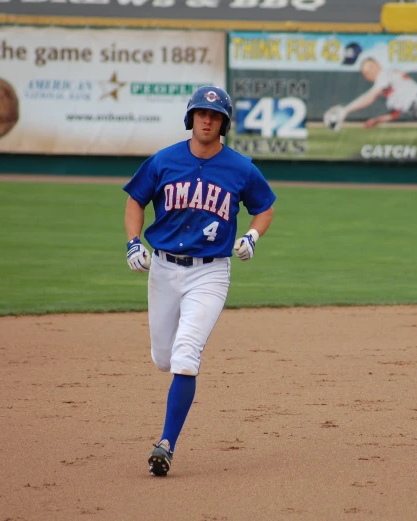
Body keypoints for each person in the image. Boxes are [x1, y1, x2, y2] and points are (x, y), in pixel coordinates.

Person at [122, 85, 276, 477]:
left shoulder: (241, 168)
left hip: (210, 272)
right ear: (191, 117)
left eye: (215, 115)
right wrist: (132, 242)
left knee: (186, 356)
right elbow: (136, 199)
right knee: (164, 359)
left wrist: (251, 236)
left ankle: (166, 444)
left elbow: (265, 207)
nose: (208, 120)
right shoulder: (164, 160)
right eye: (202, 114)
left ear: (224, 123)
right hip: (163, 268)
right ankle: (173, 390)